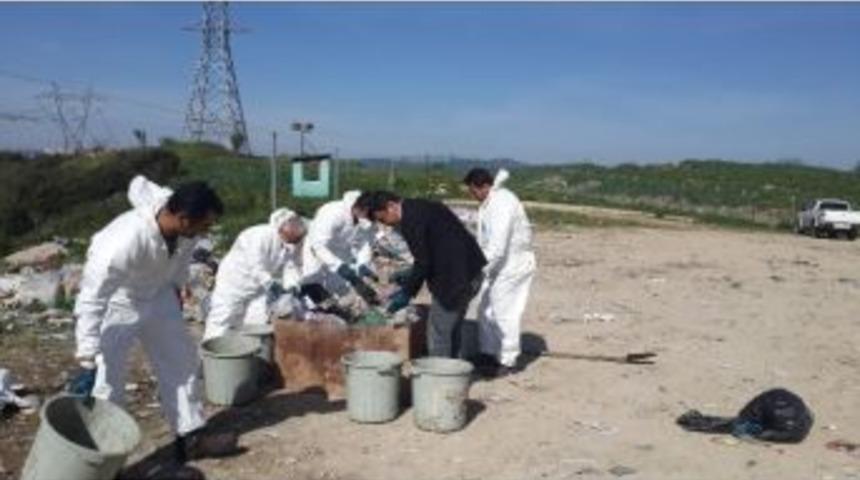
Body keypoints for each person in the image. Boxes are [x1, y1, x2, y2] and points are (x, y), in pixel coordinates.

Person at [72, 175, 232, 464]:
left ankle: (191, 437)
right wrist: (87, 354)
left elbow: (180, 258)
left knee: (181, 362)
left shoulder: (184, 229)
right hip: (119, 301)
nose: (206, 232)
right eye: (204, 225)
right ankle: (106, 462)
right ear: (183, 219)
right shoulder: (122, 242)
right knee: (106, 379)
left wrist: (178, 286)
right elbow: (92, 297)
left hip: (158, 294)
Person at [367, 191, 486, 358]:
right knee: (453, 327)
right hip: (472, 271)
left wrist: (407, 292)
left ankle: (438, 371)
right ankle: (454, 367)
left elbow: (423, 262)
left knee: (438, 332)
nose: (385, 224)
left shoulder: (410, 220)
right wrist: (411, 274)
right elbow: (435, 247)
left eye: (382, 218)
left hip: (454, 279)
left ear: (391, 206)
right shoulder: (422, 206)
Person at [464, 168, 536, 377]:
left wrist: (477, 270)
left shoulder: (502, 203)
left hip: (513, 264)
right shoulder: (490, 202)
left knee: (505, 312)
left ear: (483, 186)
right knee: (485, 308)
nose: (472, 195)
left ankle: (507, 360)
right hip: (498, 265)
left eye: (472, 190)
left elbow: (498, 247)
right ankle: (488, 352)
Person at [203, 208, 306, 341]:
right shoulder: (259, 235)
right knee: (223, 318)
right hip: (234, 282)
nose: (296, 240)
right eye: (294, 233)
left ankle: (249, 351)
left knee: (257, 321)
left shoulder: (292, 242)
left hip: (258, 287)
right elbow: (255, 264)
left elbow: (293, 266)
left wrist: (293, 285)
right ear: (282, 228)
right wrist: (270, 283)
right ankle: (213, 349)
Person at [301, 190, 380, 306]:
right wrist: (338, 266)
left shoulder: (364, 218)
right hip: (317, 252)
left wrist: (363, 263)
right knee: (313, 283)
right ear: (358, 207)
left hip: (341, 252)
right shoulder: (333, 213)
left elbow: (364, 243)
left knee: (339, 288)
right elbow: (318, 245)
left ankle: (337, 313)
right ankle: (309, 312)